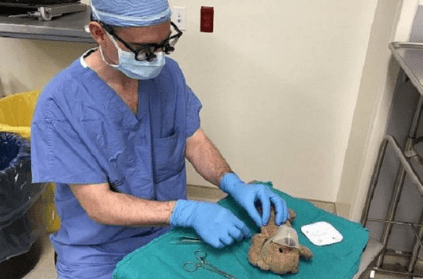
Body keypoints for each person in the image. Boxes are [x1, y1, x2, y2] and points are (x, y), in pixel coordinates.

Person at [30, 0, 289, 278]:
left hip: (168, 234)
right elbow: (99, 204)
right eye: (143, 49)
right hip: (98, 251)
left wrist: (233, 183)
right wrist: (186, 213)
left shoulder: (168, 75)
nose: (156, 58)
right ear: (99, 33)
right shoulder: (61, 104)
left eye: (163, 45)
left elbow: (194, 140)